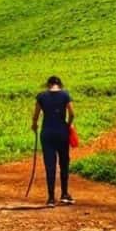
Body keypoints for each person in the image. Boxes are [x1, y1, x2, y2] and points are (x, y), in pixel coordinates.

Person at [31, 75, 75, 207]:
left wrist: (34, 125)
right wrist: (68, 124)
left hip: (47, 133)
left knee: (50, 165)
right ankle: (64, 194)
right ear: (59, 85)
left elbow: (36, 116)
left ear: (48, 85)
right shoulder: (65, 95)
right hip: (62, 132)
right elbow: (72, 114)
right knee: (64, 162)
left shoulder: (41, 96)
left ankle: (50, 198)